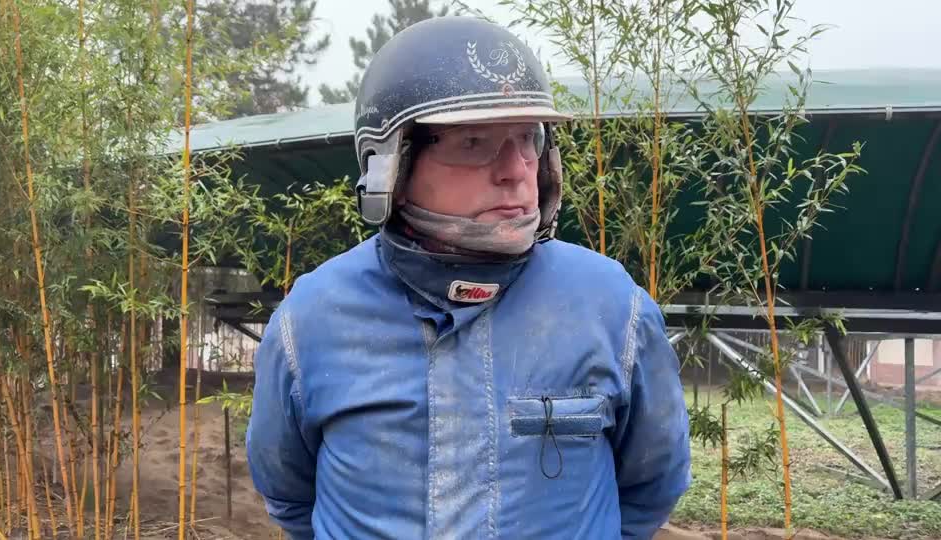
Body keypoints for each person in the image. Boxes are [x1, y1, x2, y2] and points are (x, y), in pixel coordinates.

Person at [246, 15, 691, 540]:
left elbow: (652, 483)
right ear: (390, 164)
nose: (516, 170)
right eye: (474, 142)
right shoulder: (313, 318)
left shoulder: (610, 305)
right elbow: (290, 494)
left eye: (528, 138)